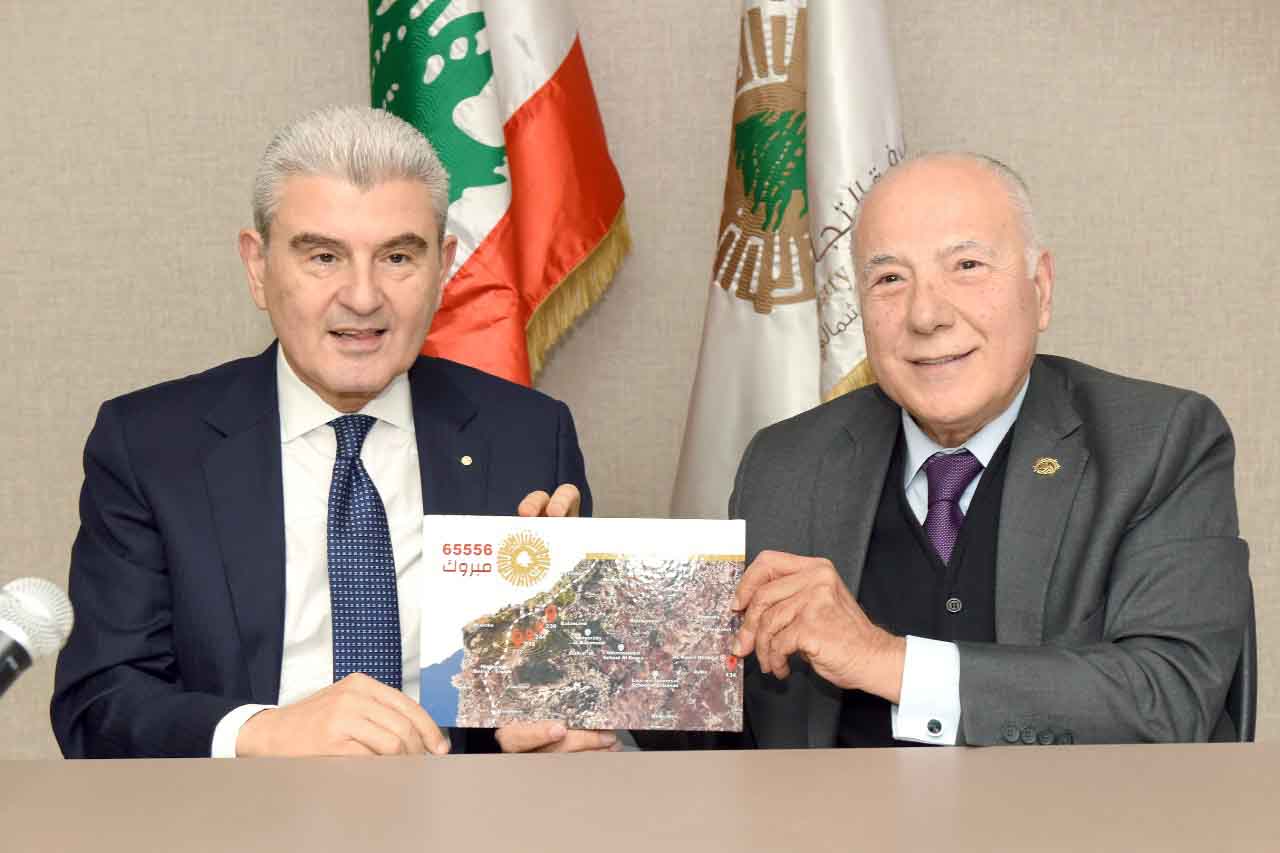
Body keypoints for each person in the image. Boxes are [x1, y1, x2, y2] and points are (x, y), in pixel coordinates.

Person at [52, 106, 618, 758]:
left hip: (458, 807)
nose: (363, 297)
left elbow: (577, 702)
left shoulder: (528, 435)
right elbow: (100, 704)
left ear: (443, 268)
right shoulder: (150, 445)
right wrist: (264, 732)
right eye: (323, 256)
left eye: (398, 256)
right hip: (243, 808)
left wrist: (559, 715)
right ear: (258, 266)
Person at [729, 152, 1250, 747]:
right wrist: (640, 706)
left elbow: (1169, 699)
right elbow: (726, 720)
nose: (926, 315)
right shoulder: (784, 463)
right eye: (890, 279)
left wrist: (883, 660)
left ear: (1041, 289)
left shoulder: (1158, 443)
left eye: (967, 266)